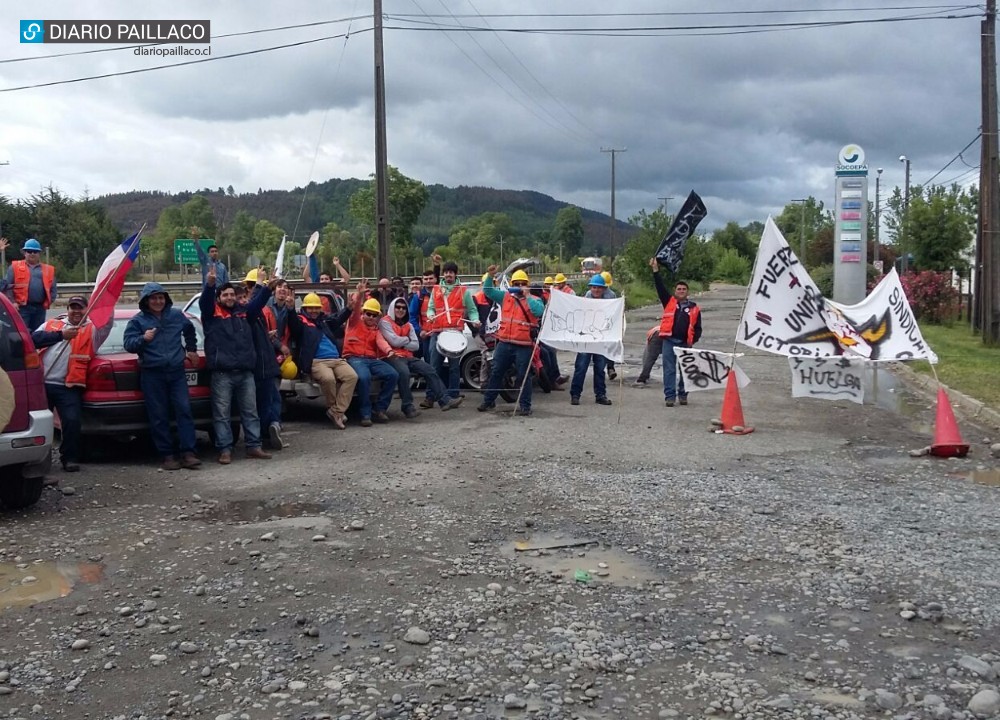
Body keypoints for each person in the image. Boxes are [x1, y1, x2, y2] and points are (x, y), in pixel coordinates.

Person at [123, 283, 201, 471]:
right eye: (153, 298)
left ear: (165, 299)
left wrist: (191, 350)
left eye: (161, 298)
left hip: (176, 372)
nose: (158, 301)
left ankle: (188, 453)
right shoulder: (137, 321)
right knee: (158, 415)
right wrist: (143, 339)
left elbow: (190, 330)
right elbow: (128, 344)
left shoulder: (175, 315)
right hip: (152, 374)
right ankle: (167, 455)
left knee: (184, 410)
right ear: (146, 300)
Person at [199, 265, 273, 464]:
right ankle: (225, 449)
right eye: (226, 295)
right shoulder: (211, 314)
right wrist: (210, 285)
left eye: (232, 294)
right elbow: (205, 302)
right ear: (219, 297)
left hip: (245, 372)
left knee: (250, 411)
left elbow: (257, 303)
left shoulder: (243, 313)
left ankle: (254, 447)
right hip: (222, 374)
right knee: (222, 414)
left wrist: (265, 287)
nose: (230, 297)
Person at [32, 296, 110, 472]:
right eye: (72, 307)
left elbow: (107, 325)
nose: (76, 311)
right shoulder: (52, 324)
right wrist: (61, 335)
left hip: (68, 386)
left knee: (72, 422)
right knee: (39, 425)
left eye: (80, 308)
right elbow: (32, 339)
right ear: (67, 309)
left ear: (86, 310)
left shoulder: (92, 330)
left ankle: (69, 458)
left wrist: (108, 304)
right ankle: (38, 462)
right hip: (42, 384)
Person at [284, 292, 357, 429]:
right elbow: (294, 325)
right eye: (310, 308)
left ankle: (336, 411)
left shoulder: (324, 321)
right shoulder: (301, 321)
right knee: (329, 379)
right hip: (317, 361)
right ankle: (336, 412)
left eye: (316, 308)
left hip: (336, 359)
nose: (314, 311)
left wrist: (348, 308)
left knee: (352, 376)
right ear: (304, 308)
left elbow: (337, 320)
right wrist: (290, 309)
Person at [379, 297, 462, 417]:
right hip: (391, 356)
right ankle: (408, 407)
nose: (401, 310)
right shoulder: (385, 322)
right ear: (392, 308)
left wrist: (401, 341)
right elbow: (394, 341)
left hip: (408, 356)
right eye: (398, 307)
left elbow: (415, 346)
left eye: (403, 308)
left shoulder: (408, 325)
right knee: (404, 373)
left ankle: (445, 400)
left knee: (429, 369)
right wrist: (406, 340)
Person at [478, 268, 543, 416]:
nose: (519, 285)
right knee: (496, 373)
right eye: (517, 283)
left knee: (523, 376)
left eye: (522, 283)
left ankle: (525, 406)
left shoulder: (535, 299)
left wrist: (527, 296)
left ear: (527, 284)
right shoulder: (505, 297)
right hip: (505, 343)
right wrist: (489, 275)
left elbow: (539, 312)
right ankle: (488, 401)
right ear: (512, 284)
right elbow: (488, 291)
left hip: (524, 345)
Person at [343, 283, 399, 427]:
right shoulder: (354, 322)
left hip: (371, 359)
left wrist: (389, 351)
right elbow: (355, 310)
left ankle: (379, 409)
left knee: (392, 374)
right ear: (363, 313)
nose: (371, 317)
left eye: (374, 315)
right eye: (368, 313)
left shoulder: (376, 330)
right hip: (354, 358)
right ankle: (365, 413)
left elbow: (381, 342)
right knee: (364, 377)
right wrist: (360, 294)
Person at [651, 258, 702, 407]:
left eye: (683, 289)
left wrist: (692, 340)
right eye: (678, 289)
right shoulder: (669, 302)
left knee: (686, 370)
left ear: (687, 292)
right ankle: (670, 397)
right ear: (675, 291)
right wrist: (655, 270)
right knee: (669, 370)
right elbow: (660, 287)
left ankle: (683, 395)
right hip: (669, 341)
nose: (681, 291)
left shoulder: (694, 308)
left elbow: (698, 327)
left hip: (685, 343)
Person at [426, 261, 479, 401]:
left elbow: (472, 310)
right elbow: (430, 307)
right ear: (443, 274)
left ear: (455, 274)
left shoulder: (463, 291)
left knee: (454, 367)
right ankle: (431, 396)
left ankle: (453, 395)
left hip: (455, 333)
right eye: (446, 272)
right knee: (433, 366)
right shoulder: (436, 289)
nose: (448, 274)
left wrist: (475, 319)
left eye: (451, 272)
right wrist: (430, 315)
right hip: (437, 332)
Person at [569, 275, 615, 407]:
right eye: (594, 287)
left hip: (600, 339)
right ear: (591, 288)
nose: (596, 290)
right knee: (581, 367)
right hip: (586, 339)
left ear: (603, 289)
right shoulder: (585, 299)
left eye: (599, 288)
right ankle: (575, 394)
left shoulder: (609, 300)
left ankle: (601, 395)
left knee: (600, 368)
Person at [0, 237, 57, 331]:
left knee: (38, 334)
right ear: (24, 253)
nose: (32, 254)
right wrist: (13, 302)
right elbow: (7, 287)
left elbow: (53, 289)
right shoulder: (14, 267)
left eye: (35, 252)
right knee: (22, 333)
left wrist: (48, 302)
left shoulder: (48, 269)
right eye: (29, 251)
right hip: (21, 308)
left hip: (40, 308)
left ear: (39, 253)